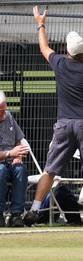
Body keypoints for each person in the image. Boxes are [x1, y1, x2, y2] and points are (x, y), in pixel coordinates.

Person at [24, 6, 83, 228]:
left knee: (50, 169)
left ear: (67, 51)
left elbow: (44, 47)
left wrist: (40, 24)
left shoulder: (60, 64)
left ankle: (34, 211)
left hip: (64, 124)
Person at [0, 91, 30, 227]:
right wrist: (10, 153)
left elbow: (19, 140)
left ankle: (16, 214)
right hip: (2, 160)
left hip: (11, 160)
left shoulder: (8, 117)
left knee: (21, 169)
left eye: (4, 109)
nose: (3, 113)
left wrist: (18, 155)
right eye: (0, 110)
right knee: (0, 171)